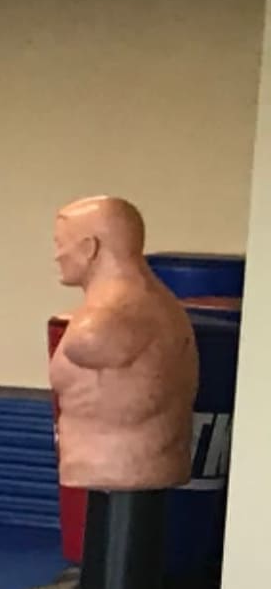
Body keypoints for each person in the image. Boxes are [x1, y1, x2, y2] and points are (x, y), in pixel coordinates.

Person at [49, 193, 198, 492]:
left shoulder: (104, 321)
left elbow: (89, 338)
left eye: (60, 244)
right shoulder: (159, 304)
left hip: (116, 470)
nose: (57, 256)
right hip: (129, 466)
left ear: (89, 248)